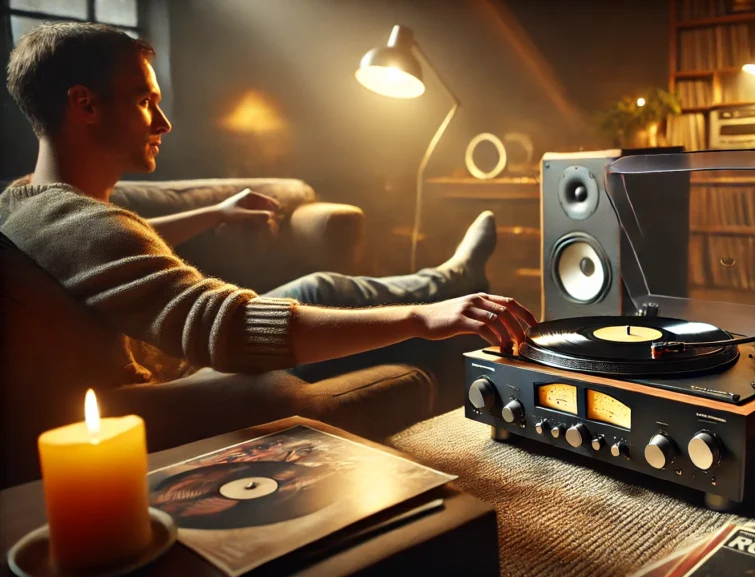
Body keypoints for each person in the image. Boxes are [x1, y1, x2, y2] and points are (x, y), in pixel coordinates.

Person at [1, 22, 537, 386]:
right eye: (145, 103)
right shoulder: (80, 227)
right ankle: (446, 285)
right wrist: (420, 318)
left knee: (322, 286)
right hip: (185, 379)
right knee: (347, 299)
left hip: (179, 362)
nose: (163, 124)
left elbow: (117, 246)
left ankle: (450, 277)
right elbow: (231, 330)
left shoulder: (28, 203)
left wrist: (214, 212)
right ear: (85, 104)